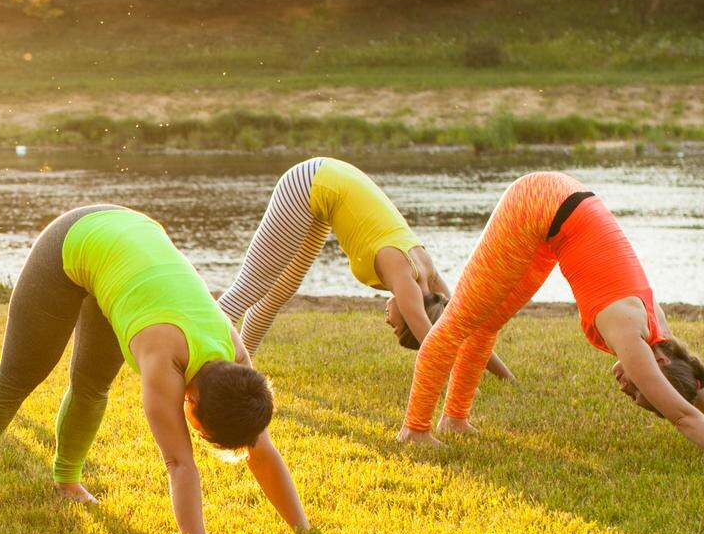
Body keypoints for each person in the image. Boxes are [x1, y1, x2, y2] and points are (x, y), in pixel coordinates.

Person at [0, 205, 309, 534]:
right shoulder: (164, 358)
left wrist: (302, 529)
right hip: (74, 239)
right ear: (191, 402)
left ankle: (67, 482)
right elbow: (179, 464)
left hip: (130, 249)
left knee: (92, 384)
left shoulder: (237, 362)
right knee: (18, 377)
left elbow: (260, 451)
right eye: (202, 434)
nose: (195, 437)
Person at [400, 172, 704, 461]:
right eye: (639, 389)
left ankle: (455, 419)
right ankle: (413, 430)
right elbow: (685, 415)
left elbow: (702, 397)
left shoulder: (660, 335)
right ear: (660, 363)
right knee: (458, 322)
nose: (627, 389)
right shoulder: (632, 336)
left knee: (487, 321)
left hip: (559, 215)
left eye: (634, 395)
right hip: (537, 204)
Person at [216, 157, 510, 379]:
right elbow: (432, 343)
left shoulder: (429, 276)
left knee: (279, 291)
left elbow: (464, 326)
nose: (387, 323)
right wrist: (457, 381)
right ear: (410, 313)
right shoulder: (406, 281)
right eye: (396, 326)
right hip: (308, 184)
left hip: (327, 187)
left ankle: (243, 369)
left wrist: (504, 377)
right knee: (251, 287)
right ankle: (193, 353)